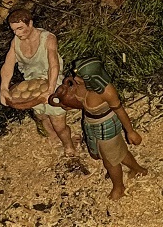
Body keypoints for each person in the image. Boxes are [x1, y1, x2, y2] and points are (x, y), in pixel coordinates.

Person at [51, 56, 147, 200]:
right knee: (116, 152)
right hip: (90, 123)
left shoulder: (107, 92)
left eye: (80, 76)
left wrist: (130, 131)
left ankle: (119, 187)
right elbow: (82, 103)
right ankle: (138, 169)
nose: (76, 78)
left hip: (106, 125)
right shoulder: (81, 86)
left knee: (110, 160)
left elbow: (120, 111)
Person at [0, 8, 77, 156]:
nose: (17, 33)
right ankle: (53, 138)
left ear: (30, 24)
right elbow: (8, 65)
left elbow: (54, 65)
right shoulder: (16, 42)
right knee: (41, 117)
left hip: (52, 82)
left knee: (58, 123)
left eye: (20, 28)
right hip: (32, 85)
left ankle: (69, 146)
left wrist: (50, 91)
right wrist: (3, 88)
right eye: (14, 30)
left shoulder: (48, 39)